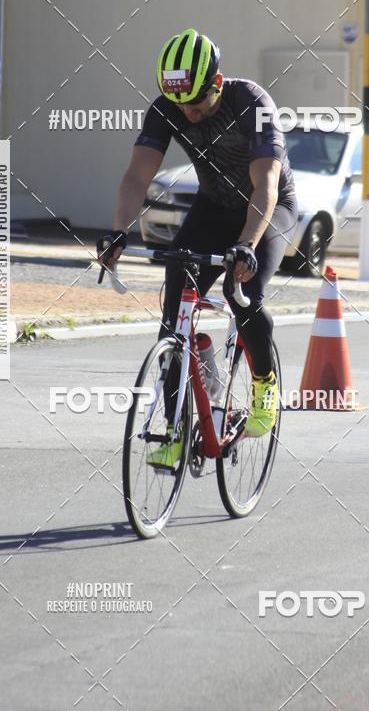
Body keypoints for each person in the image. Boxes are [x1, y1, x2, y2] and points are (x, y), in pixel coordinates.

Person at [98, 28, 298, 466]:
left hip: (267, 208)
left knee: (237, 291)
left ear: (218, 83)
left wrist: (247, 244)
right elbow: (137, 176)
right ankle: (174, 427)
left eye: (196, 103)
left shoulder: (252, 103)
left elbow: (264, 184)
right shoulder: (168, 107)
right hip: (213, 208)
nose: (187, 112)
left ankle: (264, 385)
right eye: (179, 104)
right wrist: (118, 232)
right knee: (174, 313)